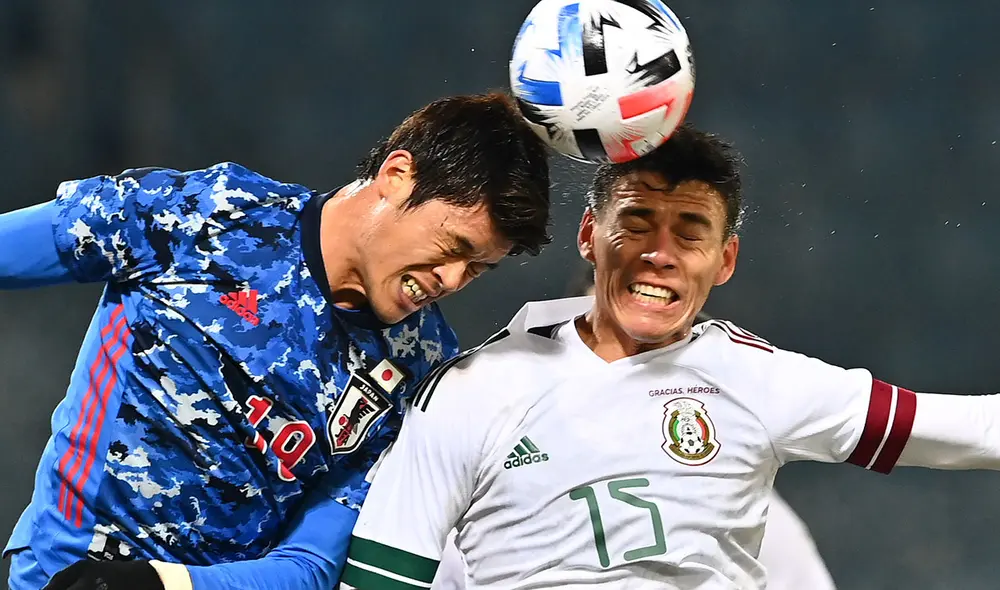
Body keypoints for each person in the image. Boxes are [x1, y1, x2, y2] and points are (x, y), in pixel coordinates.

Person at [342, 124, 1000, 588]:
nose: (659, 254)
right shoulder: (474, 389)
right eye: (634, 226)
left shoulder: (759, 380)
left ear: (725, 261)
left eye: (690, 234)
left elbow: (973, 431)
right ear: (589, 237)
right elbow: (381, 577)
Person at [0, 91, 551, 590]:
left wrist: (162, 586)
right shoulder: (209, 215)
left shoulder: (423, 371)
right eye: (454, 245)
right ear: (398, 175)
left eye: (478, 269)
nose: (452, 280)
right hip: (63, 574)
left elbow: (310, 567)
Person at [430, 270, 838, 590]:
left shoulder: (744, 507)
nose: (617, 368)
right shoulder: (479, 481)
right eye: (597, 341)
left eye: (645, 351)